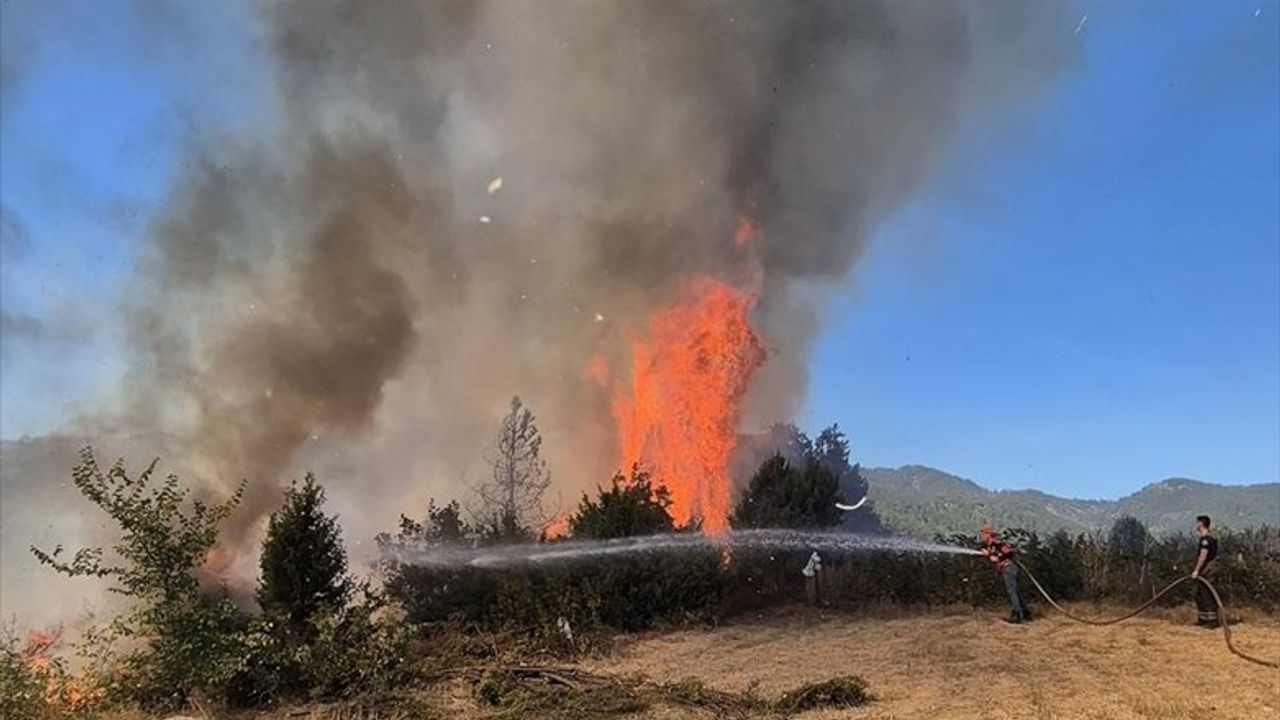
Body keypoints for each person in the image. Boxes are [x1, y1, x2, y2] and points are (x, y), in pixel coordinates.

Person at [979, 522, 1031, 623]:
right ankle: (1025, 613)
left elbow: (1009, 552)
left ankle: (1017, 615)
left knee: (1012, 591)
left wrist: (993, 555)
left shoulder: (996, 542)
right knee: (1016, 591)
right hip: (1008, 569)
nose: (981, 536)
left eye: (982, 534)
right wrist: (989, 554)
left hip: (1009, 568)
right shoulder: (991, 544)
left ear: (988, 534)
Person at [1190, 514, 1219, 628]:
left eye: (1197, 522)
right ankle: (1203, 618)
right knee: (1198, 594)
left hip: (1207, 571)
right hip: (1206, 570)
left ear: (1201, 524)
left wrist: (1196, 570)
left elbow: (1203, 555)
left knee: (1207, 594)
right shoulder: (1209, 539)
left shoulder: (1206, 541)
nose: (1196, 525)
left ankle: (1212, 621)